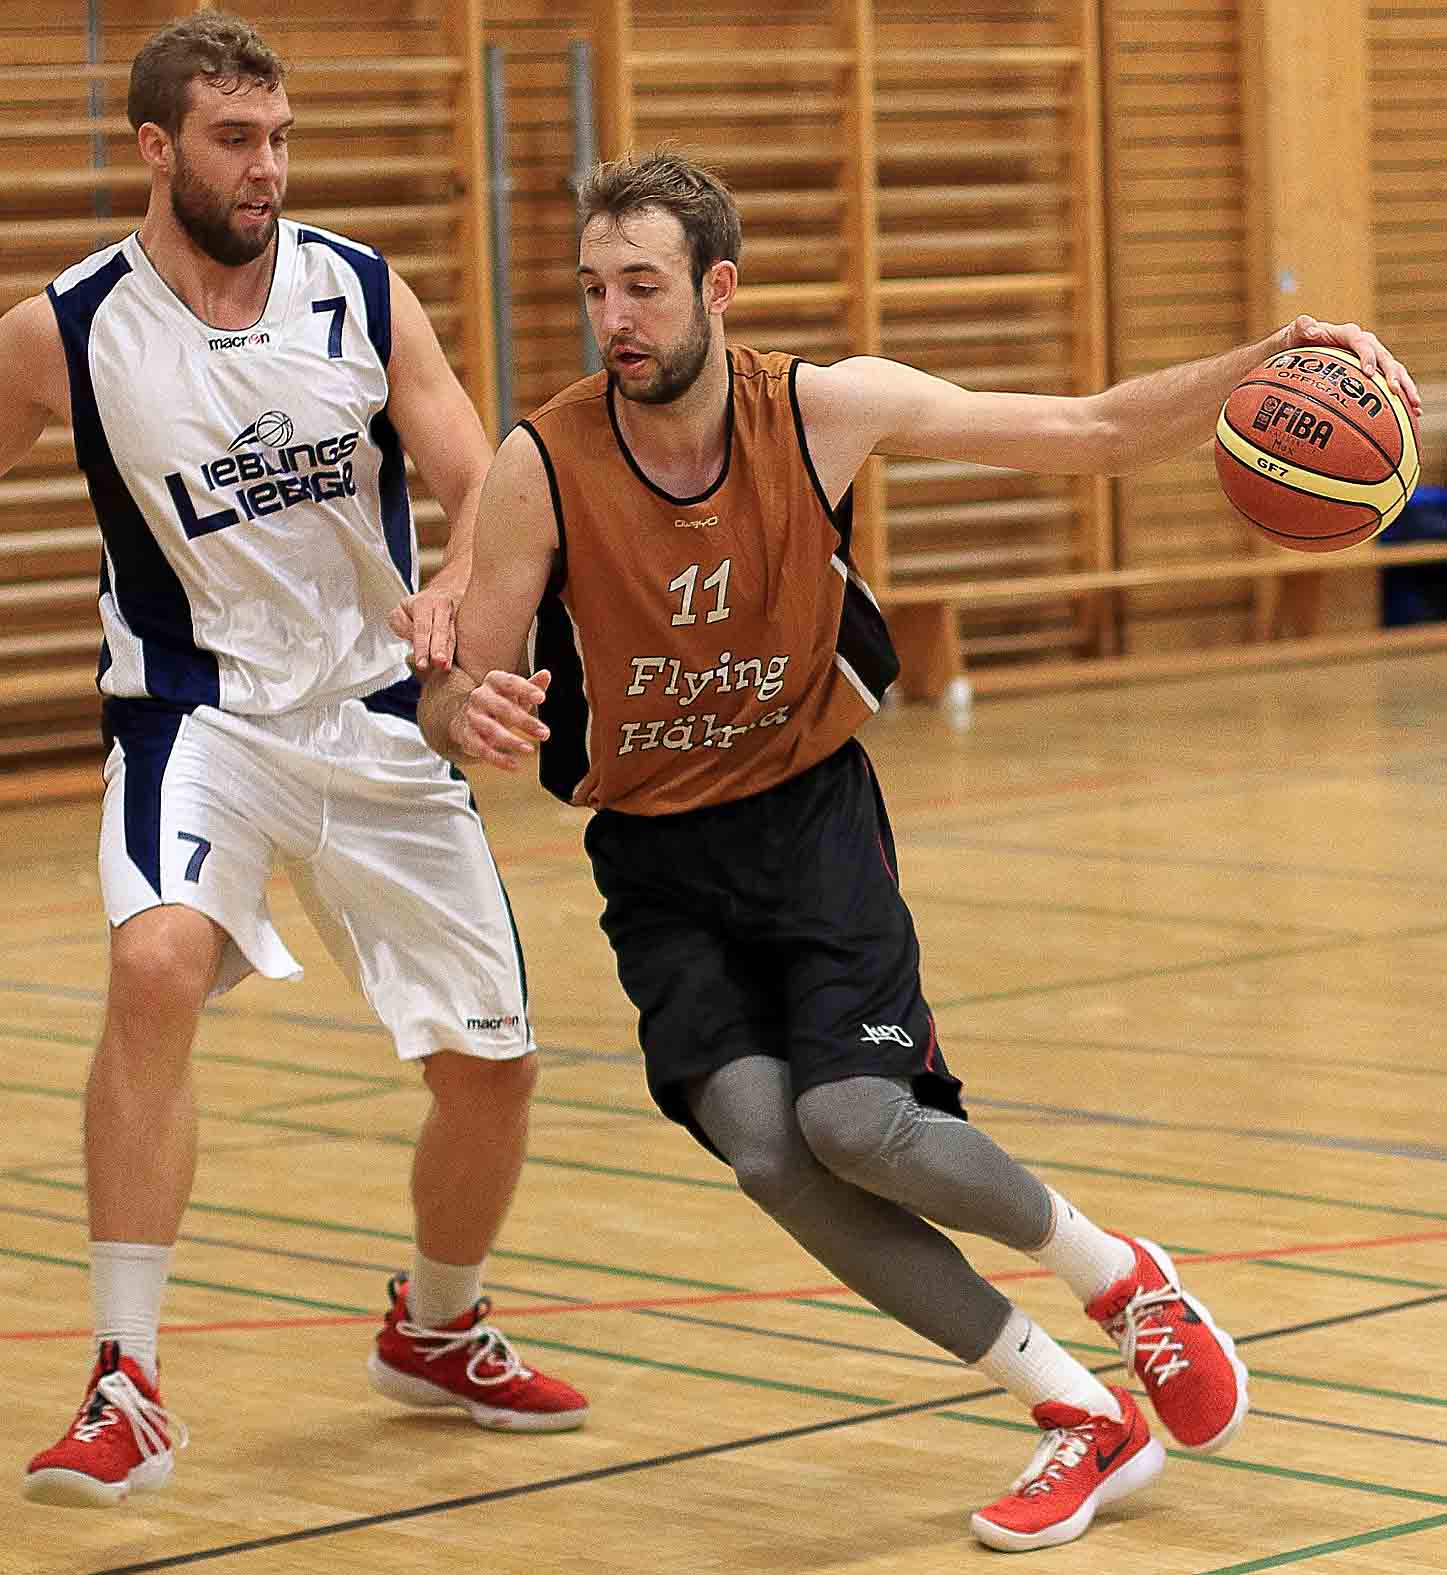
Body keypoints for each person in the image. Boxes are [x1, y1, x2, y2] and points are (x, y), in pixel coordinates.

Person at [414, 149, 1420, 1553]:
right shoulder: (543, 464)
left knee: (856, 1123)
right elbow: (460, 684)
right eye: (594, 290)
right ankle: (1077, 1409)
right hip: (655, 861)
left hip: (809, 822)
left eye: (643, 286)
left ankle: (1123, 1279)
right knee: (769, 1152)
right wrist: (470, 711)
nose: (615, 318)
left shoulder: (820, 410)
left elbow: (1090, 427)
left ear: (717, 288)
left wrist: (1271, 360)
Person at [7, 11, 588, 1509]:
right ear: (155, 146)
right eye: (232, 140)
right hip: (194, 715)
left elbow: (484, 488)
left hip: (375, 713)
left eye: (278, 138)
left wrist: (458, 591)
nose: (265, 168)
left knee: (495, 1071)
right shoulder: (63, 329)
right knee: (154, 968)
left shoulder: (363, 294)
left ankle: (437, 1328)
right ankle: (125, 1379)